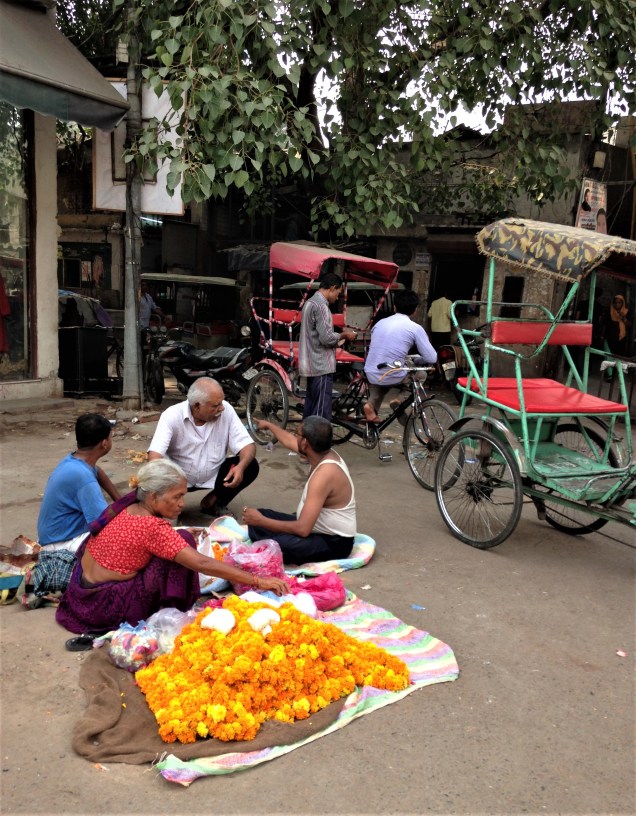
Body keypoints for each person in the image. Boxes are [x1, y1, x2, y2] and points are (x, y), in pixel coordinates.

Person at [56, 459, 289, 634]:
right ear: (153, 497)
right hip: (104, 608)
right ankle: (174, 609)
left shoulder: (124, 508)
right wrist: (259, 581)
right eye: (176, 497)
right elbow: (202, 563)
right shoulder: (153, 527)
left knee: (180, 539)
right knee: (184, 545)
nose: (181, 504)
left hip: (79, 595)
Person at [29, 414, 121, 599]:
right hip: (61, 543)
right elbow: (103, 523)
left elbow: (98, 471)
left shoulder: (76, 460)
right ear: (104, 444)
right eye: (111, 437)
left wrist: (119, 499)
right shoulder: (83, 478)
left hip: (56, 534)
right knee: (122, 542)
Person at [243, 416, 356, 565]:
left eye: (298, 434)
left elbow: (303, 529)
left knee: (276, 543)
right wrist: (269, 425)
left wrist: (261, 521)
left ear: (305, 443)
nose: (295, 437)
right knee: (262, 518)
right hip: (314, 529)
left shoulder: (325, 473)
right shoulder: (319, 451)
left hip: (334, 542)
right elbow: (289, 440)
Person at [148, 377, 258, 516]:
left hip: (216, 476)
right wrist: (160, 487)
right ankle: (166, 507)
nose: (222, 407)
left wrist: (241, 467)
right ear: (197, 406)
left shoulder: (226, 411)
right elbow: (155, 456)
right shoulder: (171, 415)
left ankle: (214, 501)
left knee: (250, 465)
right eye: (215, 405)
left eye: (222, 402)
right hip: (178, 478)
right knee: (149, 483)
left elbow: (247, 445)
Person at [362, 289, 437, 422]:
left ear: (394, 307)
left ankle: (370, 406)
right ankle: (398, 400)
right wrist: (418, 361)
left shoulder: (379, 323)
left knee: (384, 378)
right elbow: (432, 358)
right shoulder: (415, 328)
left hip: (371, 371)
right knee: (420, 374)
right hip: (391, 374)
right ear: (415, 310)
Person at [298, 272, 357, 420]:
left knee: (311, 408)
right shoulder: (321, 306)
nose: (337, 297)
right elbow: (327, 338)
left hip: (311, 364)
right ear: (332, 288)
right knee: (321, 413)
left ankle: (307, 440)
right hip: (321, 365)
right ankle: (317, 442)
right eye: (338, 293)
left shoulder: (309, 303)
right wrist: (344, 335)